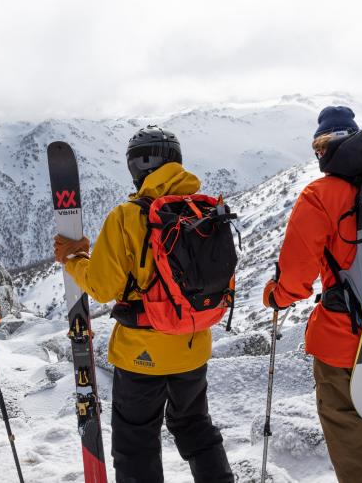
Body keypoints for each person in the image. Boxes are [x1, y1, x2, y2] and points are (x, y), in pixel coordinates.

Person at [54, 126, 234, 483]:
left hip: (142, 354)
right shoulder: (206, 209)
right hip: (193, 346)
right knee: (195, 426)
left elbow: (102, 288)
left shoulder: (127, 216)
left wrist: (74, 259)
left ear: (136, 167)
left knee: (136, 443)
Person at [263, 107, 362, 483]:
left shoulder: (320, 196)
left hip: (343, 346)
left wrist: (274, 295)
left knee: (360, 456)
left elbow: (296, 280)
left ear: (322, 150)